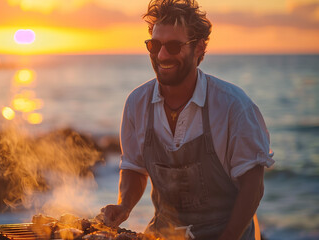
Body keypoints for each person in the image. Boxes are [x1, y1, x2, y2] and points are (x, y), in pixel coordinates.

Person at [100, 0, 275, 239]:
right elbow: (134, 168)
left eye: (173, 46)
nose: (161, 55)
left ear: (200, 48)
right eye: (154, 45)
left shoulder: (233, 106)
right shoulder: (136, 104)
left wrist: (230, 235)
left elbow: (252, 185)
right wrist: (124, 207)